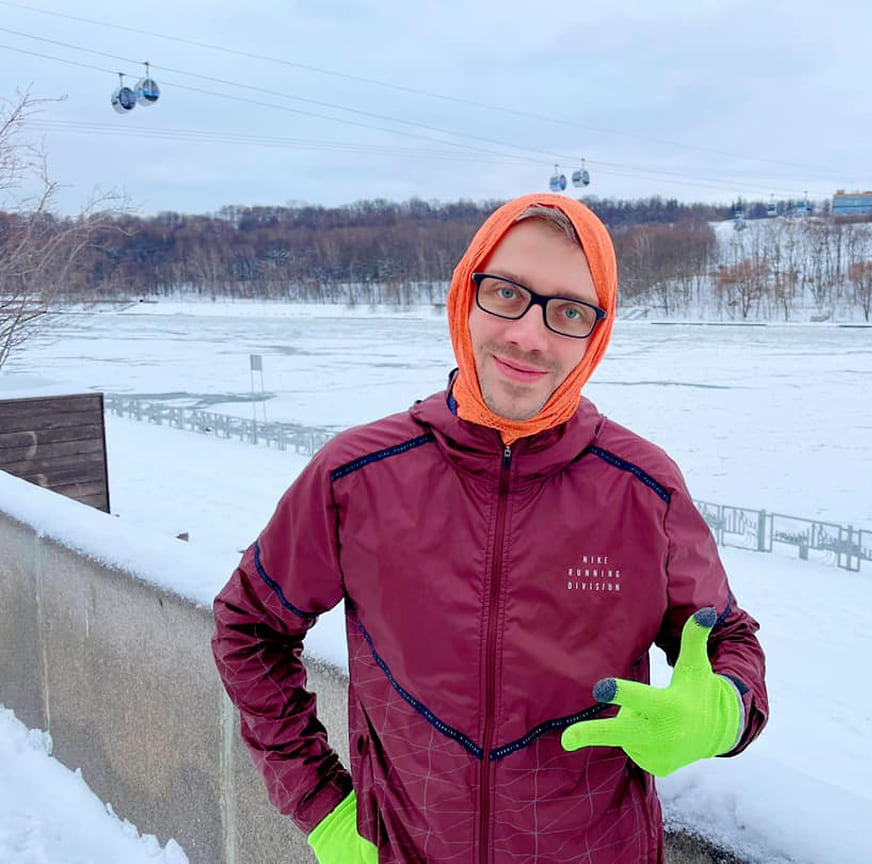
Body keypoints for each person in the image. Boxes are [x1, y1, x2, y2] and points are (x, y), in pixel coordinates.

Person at [211, 193, 768, 864]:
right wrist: (324, 809)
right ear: (464, 297)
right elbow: (250, 628)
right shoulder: (356, 476)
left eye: (567, 312)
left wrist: (718, 712)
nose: (529, 337)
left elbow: (727, 640)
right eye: (506, 293)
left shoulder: (641, 488)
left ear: (597, 332)